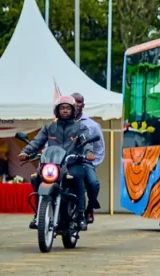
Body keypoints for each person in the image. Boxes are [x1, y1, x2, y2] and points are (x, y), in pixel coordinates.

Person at [19, 95, 93, 231]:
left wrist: (88, 153)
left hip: (71, 163)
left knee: (78, 177)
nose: (65, 111)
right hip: (52, 164)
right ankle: (38, 215)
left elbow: (86, 141)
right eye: (62, 108)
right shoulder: (49, 127)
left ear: (73, 110)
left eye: (67, 108)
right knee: (36, 178)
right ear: (57, 110)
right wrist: (26, 152)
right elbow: (36, 141)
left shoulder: (80, 128)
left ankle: (81, 214)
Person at [72, 92, 104, 224]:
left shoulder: (92, 125)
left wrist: (92, 164)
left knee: (93, 183)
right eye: (73, 102)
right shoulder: (59, 124)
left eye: (79, 102)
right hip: (65, 163)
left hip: (85, 163)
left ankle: (89, 208)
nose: (75, 105)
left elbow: (100, 149)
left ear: (83, 105)